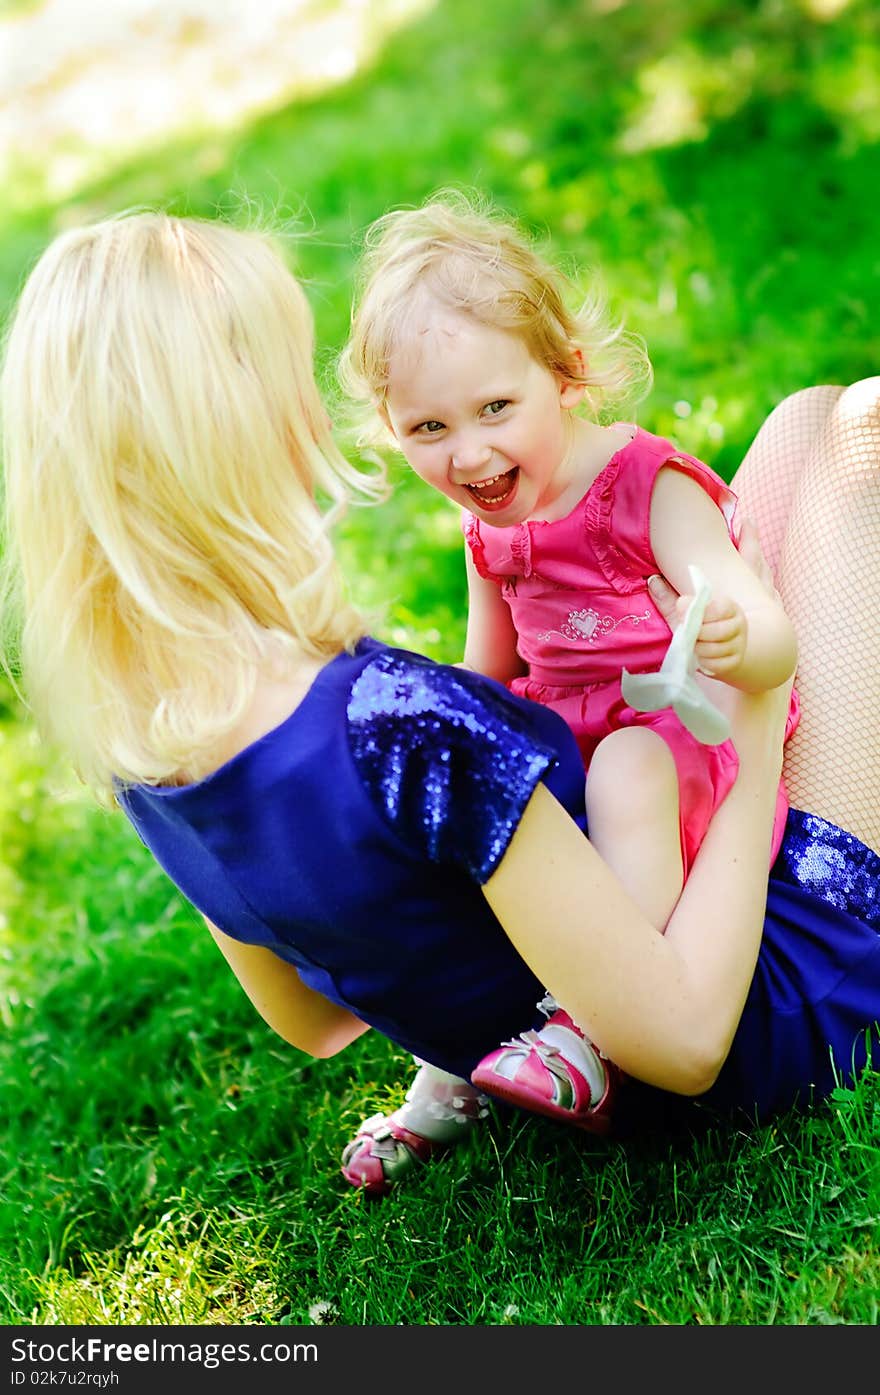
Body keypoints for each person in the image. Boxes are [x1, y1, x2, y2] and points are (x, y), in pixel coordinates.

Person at [0, 212, 877, 1207]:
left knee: (804, 420)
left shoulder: (142, 744)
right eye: (296, 373)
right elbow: (683, 1044)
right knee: (862, 430)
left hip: (585, 985)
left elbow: (315, 1022)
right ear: (242, 429)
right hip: (751, 988)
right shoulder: (401, 726)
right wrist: (755, 735)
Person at [339, 194, 801, 1134]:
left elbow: (771, 631)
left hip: (673, 744)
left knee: (627, 765)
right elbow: (488, 675)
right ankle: (445, 1071)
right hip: (569, 744)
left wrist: (735, 642)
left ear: (567, 374)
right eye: (428, 429)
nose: (470, 453)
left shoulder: (646, 485)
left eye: (495, 409)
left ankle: (591, 1027)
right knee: (474, 809)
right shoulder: (488, 524)